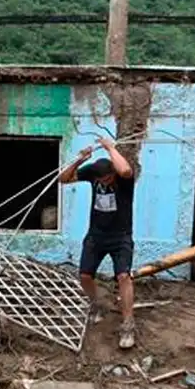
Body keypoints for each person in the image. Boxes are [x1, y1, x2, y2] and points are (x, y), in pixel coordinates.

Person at [60, 137, 137, 349]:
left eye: (108, 178)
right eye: (102, 180)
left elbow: (126, 171)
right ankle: (98, 305)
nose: (105, 182)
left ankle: (128, 324)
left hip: (121, 235)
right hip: (96, 235)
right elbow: (63, 179)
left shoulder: (123, 179)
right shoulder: (92, 174)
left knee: (123, 276)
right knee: (85, 275)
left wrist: (110, 147)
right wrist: (79, 160)